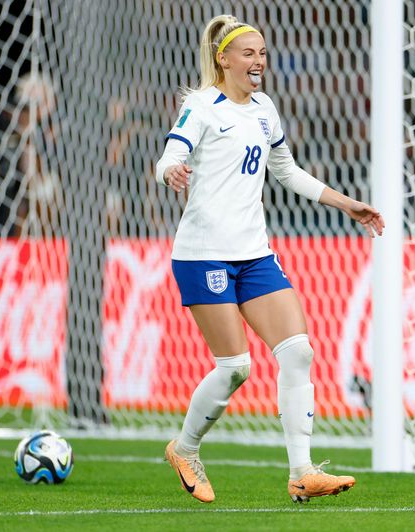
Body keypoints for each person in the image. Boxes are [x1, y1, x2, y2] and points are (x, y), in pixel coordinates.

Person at [153, 15, 384, 504]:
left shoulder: (264, 109)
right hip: (203, 255)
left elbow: (286, 170)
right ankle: (186, 447)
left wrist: (347, 203)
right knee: (236, 367)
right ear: (224, 59)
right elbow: (170, 154)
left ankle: (301, 471)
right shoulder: (202, 106)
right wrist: (171, 169)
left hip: (254, 253)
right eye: (248, 54)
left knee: (298, 351)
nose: (258, 62)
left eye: (261, 53)